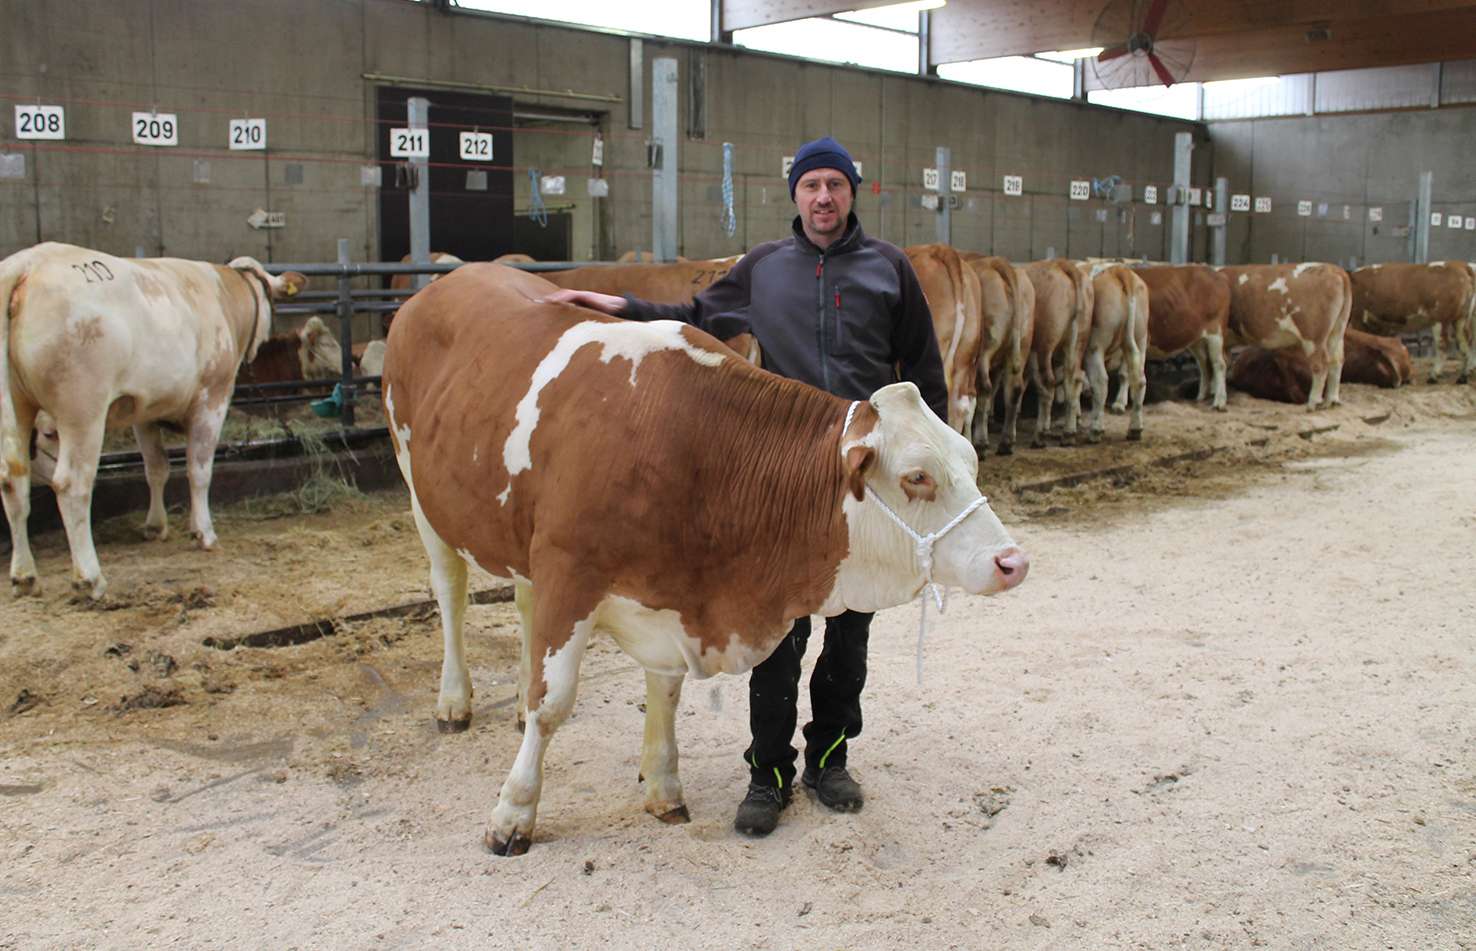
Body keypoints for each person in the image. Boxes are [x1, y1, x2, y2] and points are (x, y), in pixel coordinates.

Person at [543, 135, 948, 837]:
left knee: (849, 633)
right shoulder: (765, 267)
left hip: (862, 481)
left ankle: (829, 759)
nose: (824, 196)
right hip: (783, 482)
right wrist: (615, 304)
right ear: (795, 195)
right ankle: (768, 774)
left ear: (852, 192)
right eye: (811, 185)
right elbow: (697, 318)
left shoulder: (889, 268)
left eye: (835, 184)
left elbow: (924, 372)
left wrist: (937, 462)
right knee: (777, 636)